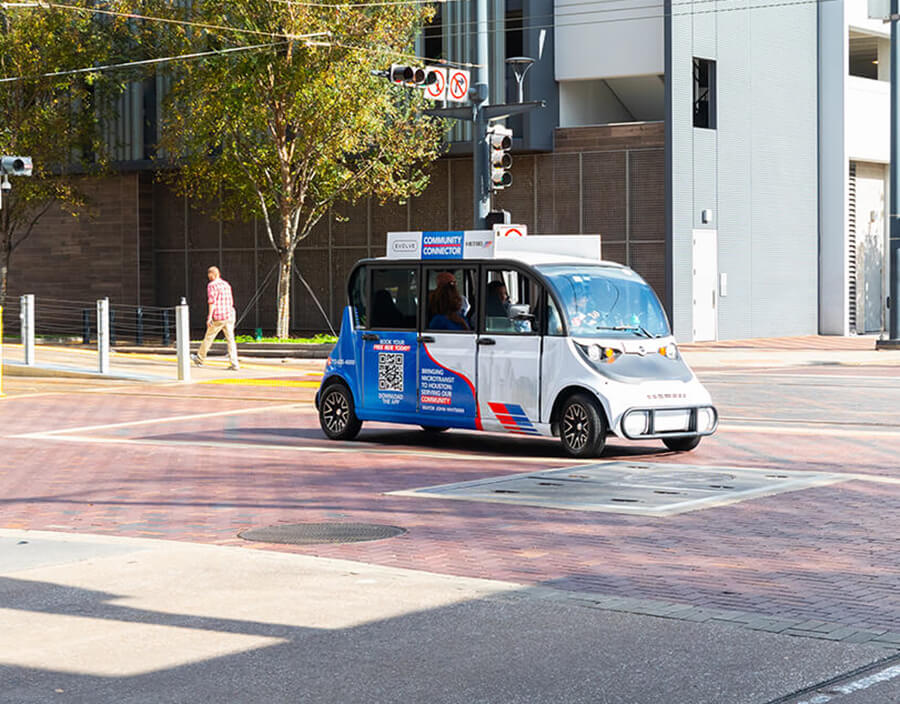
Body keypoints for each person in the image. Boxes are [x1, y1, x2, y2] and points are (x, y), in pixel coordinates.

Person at [191, 266, 240, 370]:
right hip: (229, 314)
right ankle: (234, 363)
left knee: (209, 337)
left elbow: (212, 302)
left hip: (219, 315)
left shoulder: (212, 285)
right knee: (230, 339)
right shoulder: (226, 284)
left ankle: (200, 358)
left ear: (212, 274)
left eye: (209, 275)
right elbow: (231, 300)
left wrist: (209, 317)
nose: (209, 277)